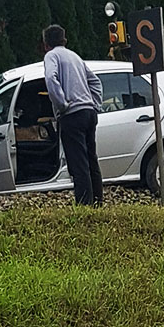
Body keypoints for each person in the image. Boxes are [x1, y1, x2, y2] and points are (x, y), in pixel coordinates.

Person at [42, 24, 105, 206]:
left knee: (78, 164)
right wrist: (95, 104)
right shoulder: (75, 56)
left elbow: (50, 78)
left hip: (72, 114)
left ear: (46, 44)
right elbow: (95, 82)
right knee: (91, 159)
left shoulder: (51, 56)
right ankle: (98, 202)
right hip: (89, 112)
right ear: (64, 39)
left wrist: (62, 104)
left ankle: (85, 206)